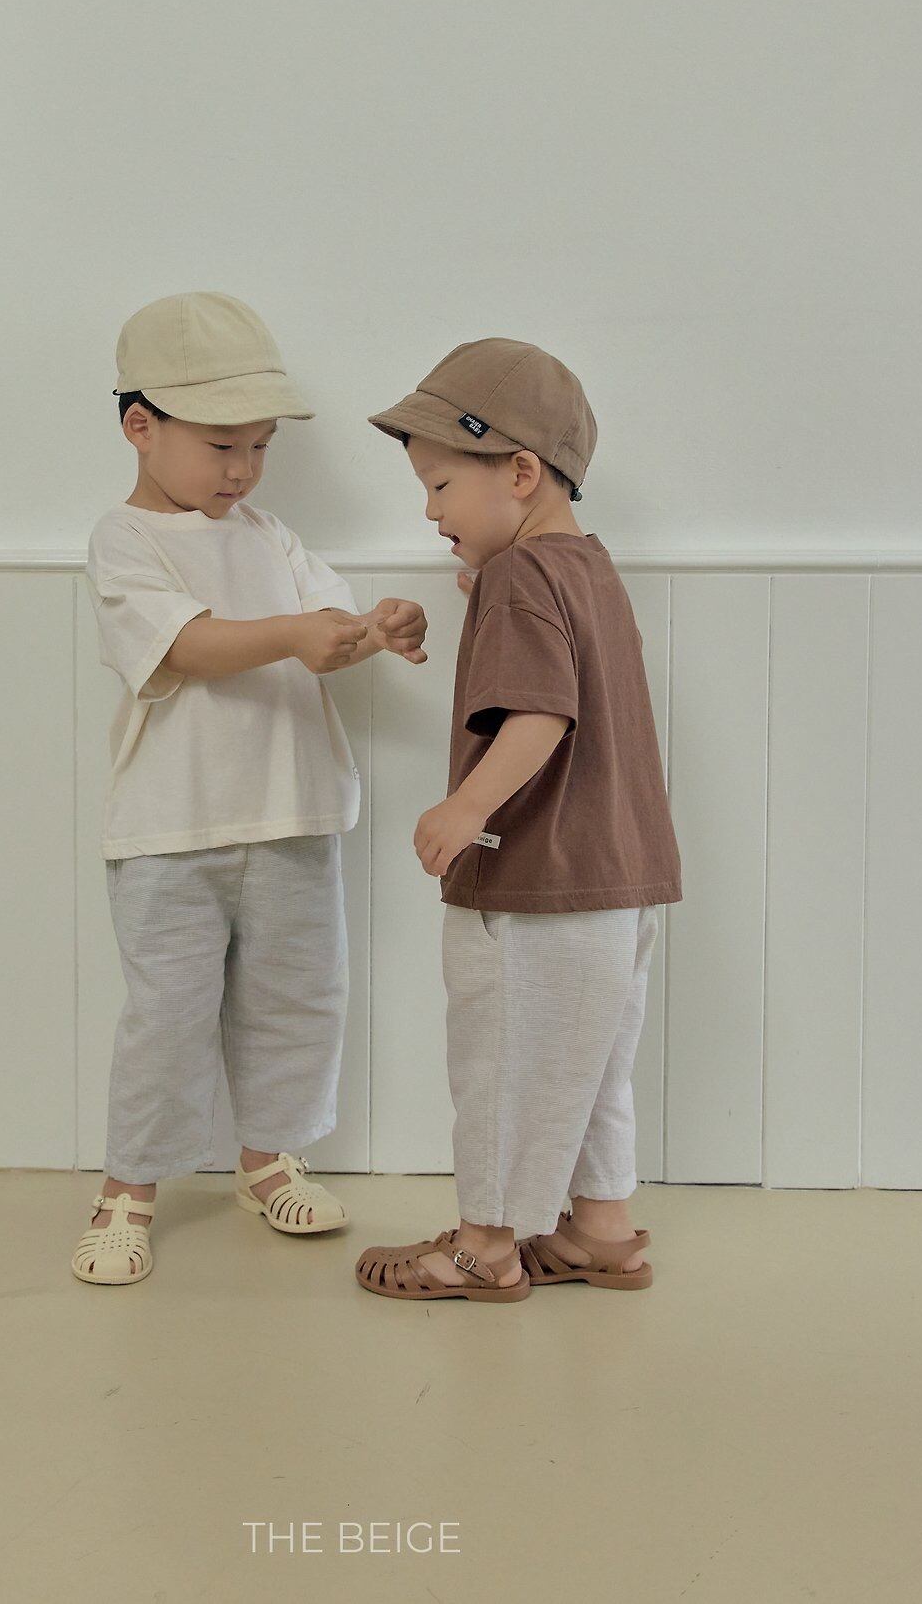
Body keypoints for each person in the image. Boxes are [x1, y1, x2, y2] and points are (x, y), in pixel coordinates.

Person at [72, 291, 427, 1284]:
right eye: (222, 444)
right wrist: (294, 633)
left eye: (260, 446)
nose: (243, 468)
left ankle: (268, 1159)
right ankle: (127, 1189)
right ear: (140, 426)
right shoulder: (125, 540)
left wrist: (376, 629)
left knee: (297, 999)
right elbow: (184, 645)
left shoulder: (273, 538)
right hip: (169, 828)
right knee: (166, 1017)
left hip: (292, 814)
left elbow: (328, 633)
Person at [355, 338, 682, 1304]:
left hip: (536, 882)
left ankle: (485, 1247)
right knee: (592, 1069)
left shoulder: (518, 580)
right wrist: (490, 597)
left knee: (504, 1064)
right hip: (619, 879)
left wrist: (466, 804)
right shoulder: (587, 567)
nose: (430, 511)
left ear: (522, 473)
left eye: (441, 485)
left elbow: (540, 711)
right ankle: (600, 1231)